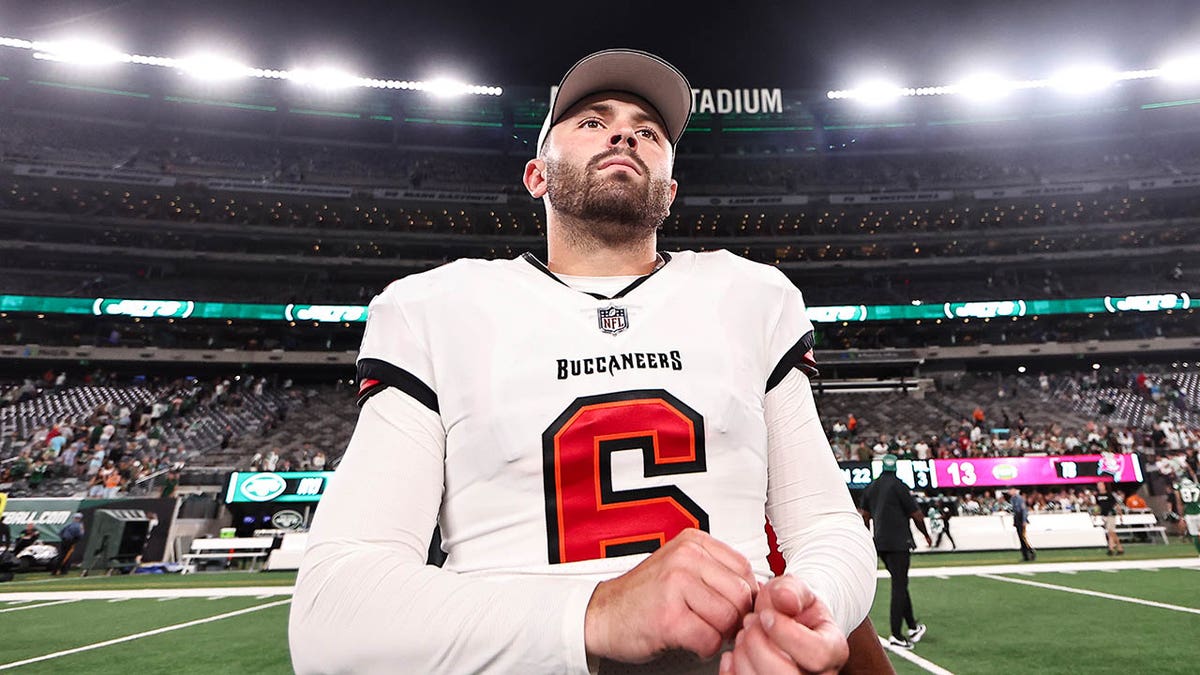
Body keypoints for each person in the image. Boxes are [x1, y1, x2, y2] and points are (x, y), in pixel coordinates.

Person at [290, 49, 877, 674]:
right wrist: (595, 612)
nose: (625, 132)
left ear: (669, 192)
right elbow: (331, 611)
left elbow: (827, 529)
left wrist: (804, 607)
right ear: (537, 175)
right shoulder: (431, 308)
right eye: (592, 122)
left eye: (648, 131)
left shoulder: (754, 296)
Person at [859, 454, 931, 650]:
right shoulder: (899, 486)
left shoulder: (872, 487)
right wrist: (926, 534)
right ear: (895, 468)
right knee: (899, 585)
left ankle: (913, 626)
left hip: (881, 543)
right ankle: (896, 634)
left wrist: (868, 537)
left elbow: (864, 515)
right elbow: (916, 514)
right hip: (899, 542)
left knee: (900, 582)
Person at [1095, 482, 1124, 556]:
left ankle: (1119, 547)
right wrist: (1096, 514)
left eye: (1101, 485)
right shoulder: (1097, 496)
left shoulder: (1109, 495)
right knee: (1109, 532)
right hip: (1104, 515)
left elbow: (1116, 505)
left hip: (1111, 514)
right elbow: (1098, 506)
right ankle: (1111, 548)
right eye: (1099, 486)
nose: (1100, 487)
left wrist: (1120, 514)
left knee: (1111, 531)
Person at [1009, 488, 1036, 561]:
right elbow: (1014, 511)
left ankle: (1031, 551)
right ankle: (1025, 556)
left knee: (1023, 537)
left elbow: (1024, 510)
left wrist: (1024, 520)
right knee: (1021, 538)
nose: (1010, 492)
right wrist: (1014, 521)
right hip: (1017, 518)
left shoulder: (1019, 499)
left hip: (1021, 518)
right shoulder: (1012, 499)